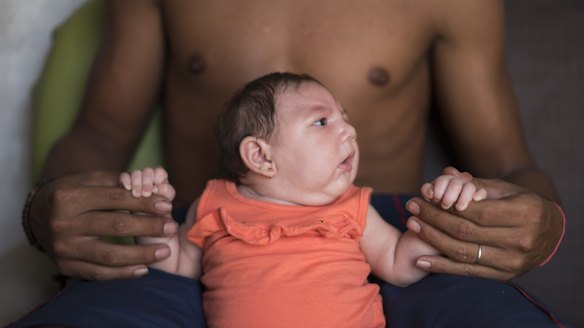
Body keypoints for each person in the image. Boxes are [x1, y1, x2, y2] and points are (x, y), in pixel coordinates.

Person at [14, 0, 566, 327]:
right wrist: (45, 204)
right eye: (327, 121)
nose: (346, 130)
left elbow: (509, 163)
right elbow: (101, 132)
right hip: (208, 239)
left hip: (390, 228)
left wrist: (547, 221)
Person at [117, 72, 489, 327]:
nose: (350, 131)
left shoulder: (353, 205)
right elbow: (176, 266)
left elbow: (400, 265)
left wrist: (444, 206)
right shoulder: (215, 205)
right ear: (261, 157)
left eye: (344, 118)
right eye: (321, 122)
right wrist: (150, 212)